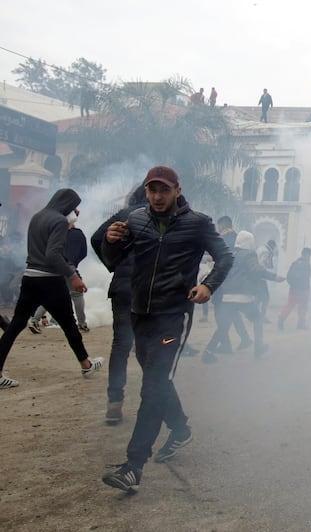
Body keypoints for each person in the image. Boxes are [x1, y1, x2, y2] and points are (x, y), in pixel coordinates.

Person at [101, 166, 232, 492]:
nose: (157, 197)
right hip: (139, 314)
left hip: (173, 316)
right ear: (146, 192)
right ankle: (180, 428)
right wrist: (110, 241)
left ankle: (133, 465)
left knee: (153, 386)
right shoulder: (137, 220)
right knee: (155, 378)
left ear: (177, 190)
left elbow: (226, 257)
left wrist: (208, 286)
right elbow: (114, 261)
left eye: (163, 190)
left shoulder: (197, 223)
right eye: (152, 190)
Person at [0, 189, 103, 390]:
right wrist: (73, 276)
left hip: (30, 277)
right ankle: (86, 365)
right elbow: (53, 255)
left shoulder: (37, 217)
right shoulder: (59, 222)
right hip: (50, 281)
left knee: (14, 326)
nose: (76, 211)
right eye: (74, 207)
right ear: (67, 205)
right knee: (69, 325)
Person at [91, 182, 148, 425]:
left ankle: (114, 404)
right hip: (148, 289)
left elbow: (96, 238)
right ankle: (156, 399)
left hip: (124, 287)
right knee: (150, 346)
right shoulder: (164, 216)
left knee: (121, 345)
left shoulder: (126, 214)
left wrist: (113, 263)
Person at [204, 231, 281, 363]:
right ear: (249, 242)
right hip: (243, 296)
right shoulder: (249, 255)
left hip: (227, 296)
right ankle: (259, 347)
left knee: (224, 326)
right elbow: (257, 270)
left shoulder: (232, 255)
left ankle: (207, 352)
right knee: (257, 320)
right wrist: (274, 277)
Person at [30, 211, 90, 332]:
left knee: (49, 296)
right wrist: (74, 261)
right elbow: (83, 252)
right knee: (77, 294)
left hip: (54, 267)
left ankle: (34, 320)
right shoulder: (78, 234)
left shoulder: (55, 233)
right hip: (70, 267)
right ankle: (82, 323)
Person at [212, 216, 251, 352]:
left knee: (221, 313)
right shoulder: (238, 239)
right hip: (233, 282)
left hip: (222, 281)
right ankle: (244, 338)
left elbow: (220, 259)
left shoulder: (223, 239)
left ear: (222, 225)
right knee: (232, 312)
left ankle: (225, 345)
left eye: (219, 226)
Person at [278, 247, 311, 330]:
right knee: (302, 307)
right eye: (309, 255)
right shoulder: (306, 264)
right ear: (307, 255)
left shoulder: (295, 263)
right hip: (303, 290)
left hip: (293, 288)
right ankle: (301, 324)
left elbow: (289, 276)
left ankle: (281, 319)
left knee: (290, 305)